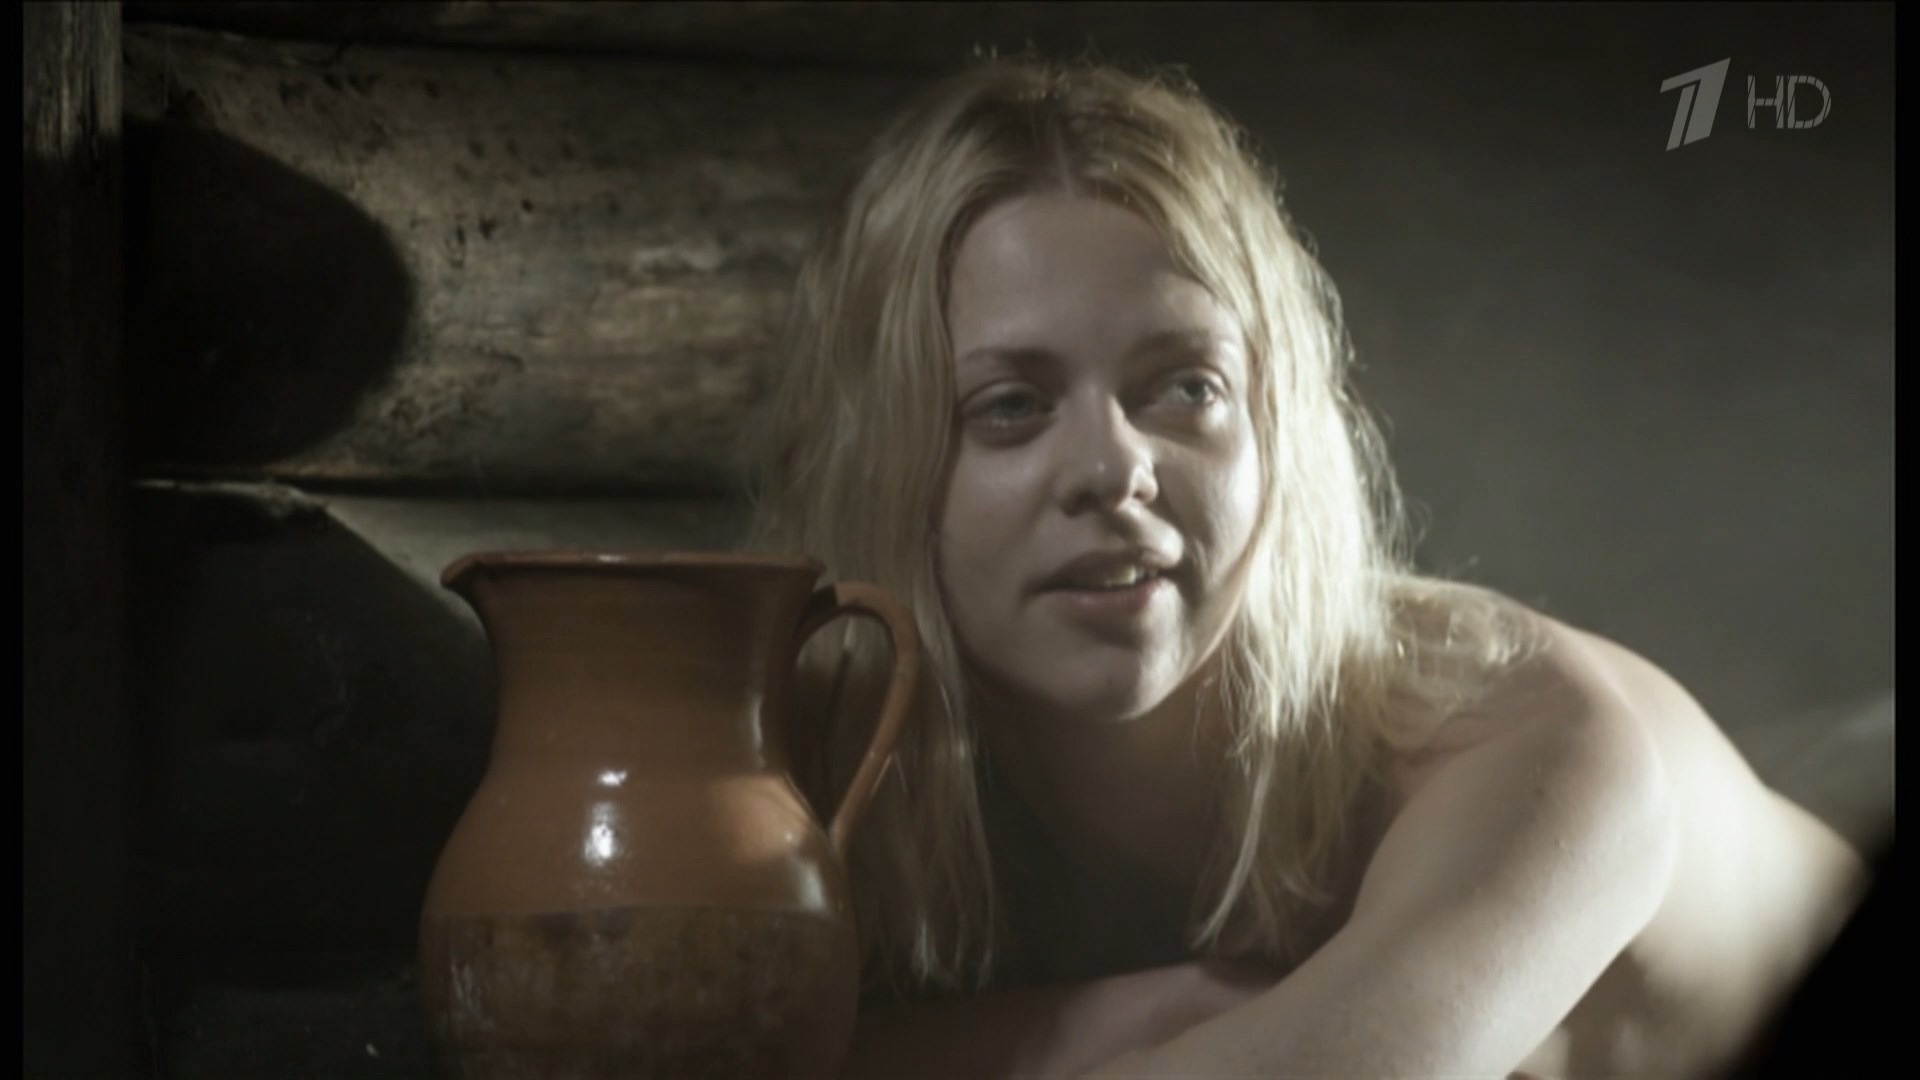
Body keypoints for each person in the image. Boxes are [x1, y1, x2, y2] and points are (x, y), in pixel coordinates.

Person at [742, 55, 1870, 1079]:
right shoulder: (827, 775)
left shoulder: (1531, 745)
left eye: (1186, 386)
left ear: (1279, 425)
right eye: (1011, 406)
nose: (1113, 468)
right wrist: (1120, 1022)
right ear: (887, 457)